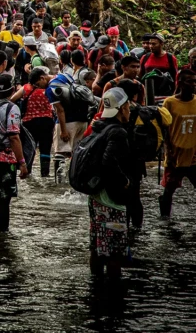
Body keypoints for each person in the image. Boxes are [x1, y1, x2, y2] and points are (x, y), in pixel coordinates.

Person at [87, 87, 133, 279]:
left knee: (97, 246)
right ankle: (114, 292)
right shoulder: (118, 132)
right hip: (111, 199)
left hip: (96, 195)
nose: (130, 110)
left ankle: (95, 286)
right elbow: (108, 161)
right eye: (128, 106)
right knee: (114, 252)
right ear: (121, 108)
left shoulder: (98, 126)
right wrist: (124, 180)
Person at [0, 74, 30, 232]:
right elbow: (14, 137)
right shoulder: (12, 108)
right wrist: (22, 163)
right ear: (12, 90)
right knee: (4, 199)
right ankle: (3, 236)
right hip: (5, 160)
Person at [159, 69, 196, 218]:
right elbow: (165, 129)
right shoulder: (170, 103)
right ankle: (165, 219)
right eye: (190, 81)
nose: (193, 84)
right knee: (169, 189)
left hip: (193, 155)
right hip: (175, 155)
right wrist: (168, 151)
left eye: (195, 81)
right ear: (180, 83)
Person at [19, 67, 55, 177]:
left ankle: (27, 172)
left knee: (30, 148)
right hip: (46, 122)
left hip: (29, 123)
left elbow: (12, 99)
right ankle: (45, 174)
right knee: (45, 149)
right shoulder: (52, 86)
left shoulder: (26, 88)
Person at [139, 33, 178, 99]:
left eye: (154, 44)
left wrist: (175, 93)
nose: (151, 46)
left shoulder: (170, 58)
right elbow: (140, 75)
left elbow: (175, 77)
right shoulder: (145, 57)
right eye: (150, 43)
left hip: (166, 93)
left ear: (161, 44)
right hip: (148, 92)